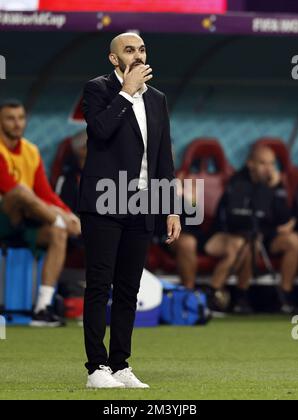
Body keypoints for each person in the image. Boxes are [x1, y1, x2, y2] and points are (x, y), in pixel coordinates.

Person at [78, 33, 181, 389]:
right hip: (103, 201)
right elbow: (100, 131)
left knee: (127, 288)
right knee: (99, 285)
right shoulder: (97, 89)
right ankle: (96, 369)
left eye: (141, 49)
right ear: (113, 59)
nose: (137, 55)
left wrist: (171, 208)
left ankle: (121, 365)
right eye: (129, 50)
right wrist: (126, 93)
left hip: (142, 203)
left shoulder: (157, 99)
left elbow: (163, 157)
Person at [0, 99, 81, 326]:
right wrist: (59, 215)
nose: (17, 124)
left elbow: (45, 192)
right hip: (5, 215)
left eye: (21, 118)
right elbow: (8, 188)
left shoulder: (31, 150)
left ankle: (42, 308)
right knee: (21, 192)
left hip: (29, 218)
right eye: (10, 118)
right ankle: (60, 220)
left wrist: (68, 214)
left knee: (58, 233)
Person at [205, 145, 298, 314]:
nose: (269, 168)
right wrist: (267, 191)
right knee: (249, 243)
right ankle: (237, 296)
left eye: (272, 163)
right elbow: (236, 218)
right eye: (263, 163)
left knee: (293, 241)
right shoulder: (238, 182)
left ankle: (284, 296)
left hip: (267, 235)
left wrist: (273, 189)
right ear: (251, 164)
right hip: (237, 234)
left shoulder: (275, 184)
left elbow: (284, 218)